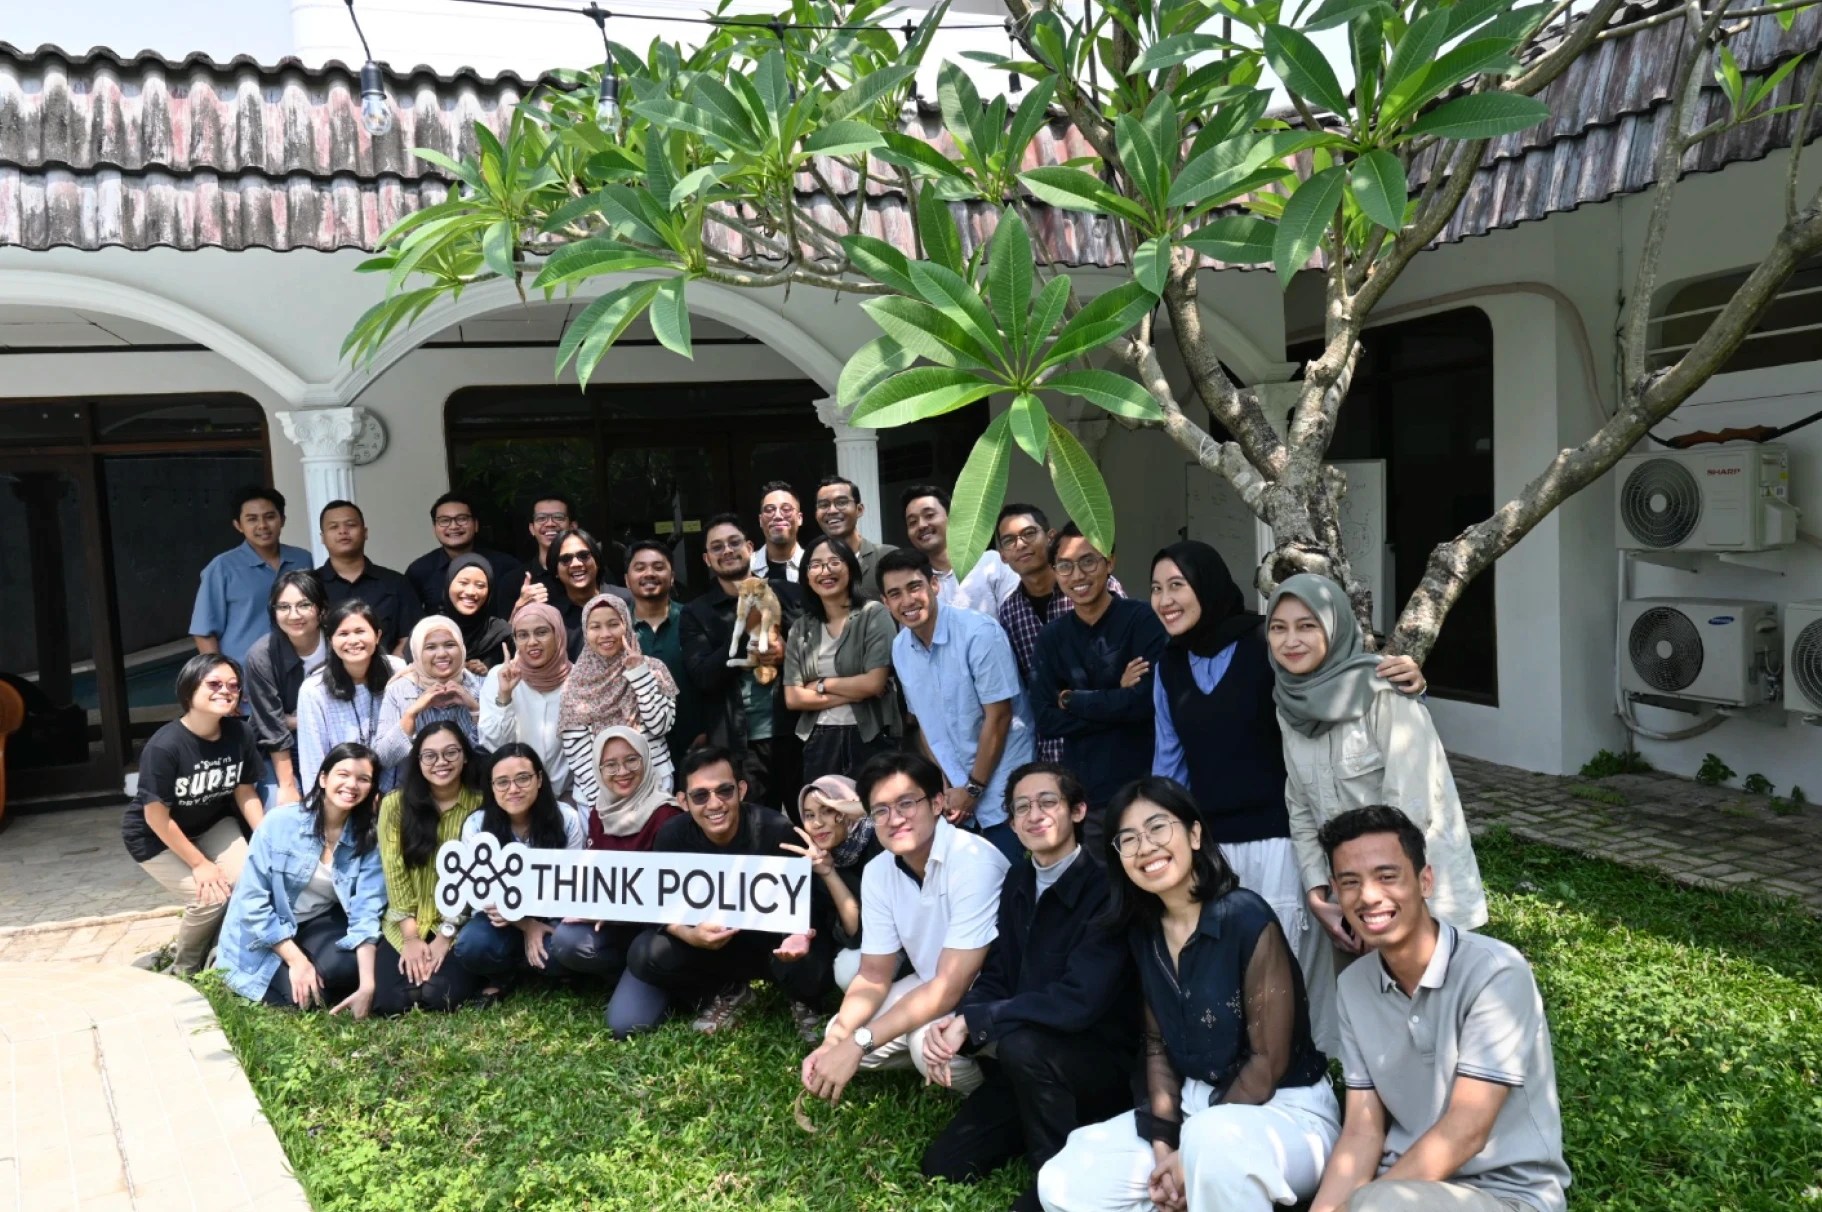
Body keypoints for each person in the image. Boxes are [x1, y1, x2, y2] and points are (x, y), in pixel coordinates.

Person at [1148, 541, 1424, 1055]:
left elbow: (1330, 683)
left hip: (1281, 837)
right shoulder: (1168, 665)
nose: (1165, 600)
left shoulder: (1267, 640)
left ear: (1207, 586)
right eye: (1156, 589)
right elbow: (1170, 764)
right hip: (1214, 847)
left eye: (1177, 586)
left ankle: (1311, 1064)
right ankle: (1249, 1063)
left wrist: (1397, 677)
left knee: (1292, 961)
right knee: (1232, 964)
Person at [1037, 778, 1340, 1212]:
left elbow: (1266, 1063)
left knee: (1211, 1146)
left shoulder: (1245, 917)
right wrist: (1165, 1147)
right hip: (1197, 1110)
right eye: (1128, 839)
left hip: (1287, 1111)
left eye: (1158, 828)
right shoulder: (1145, 931)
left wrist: (1190, 1155)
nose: (1146, 847)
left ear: (1195, 835)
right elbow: (1156, 1046)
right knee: (1063, 1181)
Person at [1267, 573, 1488, 1054]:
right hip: (1350, 903)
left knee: (1438, 1043)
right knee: (1372, 1041)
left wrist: (1374, 905)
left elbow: (1410, 810)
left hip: (1412, 897)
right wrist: (1318, 890)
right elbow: (1300, 804)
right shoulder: (1289, 704)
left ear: (1334, 627)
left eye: (1307, 625)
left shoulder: (1383, 690)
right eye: (1278, 628)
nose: (1291, 640)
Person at [1309, 807, 1569, 1212]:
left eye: (1386, 876)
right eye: (1350, 882)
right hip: (1395, 1191)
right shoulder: (1353, 985)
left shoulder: (1495, 972)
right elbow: (1362, 1132)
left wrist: (1357, 1207)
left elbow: (1467, 1128)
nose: (1369, 896)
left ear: (1424, 880)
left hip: (1505, 1196)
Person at [920, 763, 1138, 1212]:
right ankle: (1045, 1123)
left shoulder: (1106, 889)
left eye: (1047, 802)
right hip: (1030, 1064)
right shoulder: (1019, 880)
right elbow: (998, 972)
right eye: (1021, 807)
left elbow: (1079, 1000)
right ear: (1013, 823)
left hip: (1100, 1064)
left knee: (1021, 1047)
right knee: (944, 1165)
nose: (1034, 815)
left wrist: (977, 1020)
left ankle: (1057, 1173)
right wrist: (959, 1020)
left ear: (1078, 811)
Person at [801, 751, 1009, 1104]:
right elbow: (874, 974)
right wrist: (834, 1043)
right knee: (839, 1032)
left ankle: (994, 1094)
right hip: (930, 983)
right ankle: (948, 1056)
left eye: (906, 804)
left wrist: (860, 1042)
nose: (894, 819)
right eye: (881, 810)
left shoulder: (973, 862)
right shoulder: (880, 870)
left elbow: (950, 988)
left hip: (991, 994)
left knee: (922, 1044)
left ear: (937, 803)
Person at [614, 747, 834, 1040]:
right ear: (683, 801)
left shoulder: (776, 830)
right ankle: (729, 992)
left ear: (741, 790)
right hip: (711, 947)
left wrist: (798, 934)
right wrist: (689, 935)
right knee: (644, 952)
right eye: (700, 796)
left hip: (772, 945)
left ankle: (803, 1000)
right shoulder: (672, 835)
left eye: (724, 791)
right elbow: (659, 907)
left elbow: (808, 904)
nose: (715, 804)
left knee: (814, 961)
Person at [880, 548, 1034, 862]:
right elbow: (926, 724)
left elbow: (999, 717)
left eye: (914, 587)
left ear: (934, 585)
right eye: (895, 594)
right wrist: (946, 785)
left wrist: (973, 789)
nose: (907, 601)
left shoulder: (979, 633)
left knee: (1016, 883)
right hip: (958, 800)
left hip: (1007, 793)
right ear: (885, 602)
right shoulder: (900, 648)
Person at [214, 742, 385, 1017]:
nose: (352, 785)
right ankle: (226, 958)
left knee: (348, 970)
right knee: (304, 1000)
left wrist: (368, 985)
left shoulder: (367, 836)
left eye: (363, 779)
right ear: (323, 778)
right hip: (267, 925)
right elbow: (251, 900)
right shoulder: (279, 823)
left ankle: (317, 968)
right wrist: (297, 961)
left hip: (317, 920)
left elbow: (367, 908)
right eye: (343, 774)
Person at [121, 653, 267, 975]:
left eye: (233, 685)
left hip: (212, 822)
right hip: (155, 836)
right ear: (189, 689)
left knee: (248, 881)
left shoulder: (239, 733)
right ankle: (184, 970)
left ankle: (220, 954)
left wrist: (266, 839)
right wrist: (200, 864)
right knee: (209, 899)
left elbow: (244, 792)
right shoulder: (164, 746)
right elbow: (156, 817)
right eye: (214, 684)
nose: (225, 691)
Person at [1031, 525, 1167, 826]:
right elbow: (1046, 720)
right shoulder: (1052, 638)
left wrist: (1073, 700)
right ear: (1054, 571)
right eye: (1065, 566)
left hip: (1144, 788)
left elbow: (1145, 702)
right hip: (1084, 796)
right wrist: (1119, 696)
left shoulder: (1142, 619)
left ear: (1110, 562)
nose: (1077, 575)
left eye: (1088, 561)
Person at [547, 727, 686, 1001]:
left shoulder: (667, 815)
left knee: (626, 1021)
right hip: (614, 932)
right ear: (598, 769)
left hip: (657, 935)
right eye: (610, 764)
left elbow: (671, 896)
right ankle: (622, 974)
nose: (622, 771)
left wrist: (615, 910)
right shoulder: (599, 813)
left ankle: (651, 977)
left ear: (646, 759)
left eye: (631, 760)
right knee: (564, 940)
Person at [680, 514, 804, 804]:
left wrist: (787, 654)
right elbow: (703, 676)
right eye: (717, 547)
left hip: (797, 733)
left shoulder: (788, 593)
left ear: (750, 548)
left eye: (734, 543)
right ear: (707, 559)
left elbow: (817, 657)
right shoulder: (696, 613)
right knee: (754, 826)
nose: (727, 551)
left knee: (810, 820)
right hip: (740, 745)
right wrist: (747, 630)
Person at [993, 505, 1125, 762]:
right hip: (1051, 751)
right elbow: (1033, 692)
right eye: (1009, 541)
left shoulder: (1096, 586)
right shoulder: (1009, 611)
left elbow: (1122, 670)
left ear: (1050, 537)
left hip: (1111, 744)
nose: (1020, 544)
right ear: (1003, 556)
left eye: (1029, 533)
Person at [452, 745, 588, 992]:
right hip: (500, 919)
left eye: (523, 778)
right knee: (472, 945)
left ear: (539, 780)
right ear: (492, 787)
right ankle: (511, 970)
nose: (513, 789)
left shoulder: (566, 818)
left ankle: (527, 964)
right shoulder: (477, 825)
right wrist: (526, 925)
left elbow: (572, 882)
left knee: (563, 952)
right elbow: (485, 894)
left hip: (551, 913)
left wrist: (537, 920)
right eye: (502, 782)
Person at [372, 721, 485, 1014]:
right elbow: (394, 873)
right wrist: (411, 939)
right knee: (391, 1002)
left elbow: (477, 880)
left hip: (458, 922)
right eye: (430, 755)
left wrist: (446, 936)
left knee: (439, 996)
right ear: (418, 760)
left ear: (465, 756)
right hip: (407, 920)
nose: (441, 762)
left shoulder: (481, 805)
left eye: (451, 753)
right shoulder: (394, 805)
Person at [782, 536, 901, 783]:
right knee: (825, 807)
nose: (825, 571)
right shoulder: (800, 628)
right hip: (819, 741)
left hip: (871, 737)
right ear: (806, 576)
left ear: (850, 567)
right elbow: (793, 698)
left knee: (874, 806)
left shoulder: (873, 614)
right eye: (815, 565)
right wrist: (855, 692)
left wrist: (821, 684)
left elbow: (874, 683)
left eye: (834, 562)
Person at [558, 594, 680, 813]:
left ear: (627, 625)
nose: (605, 634)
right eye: (595, 627)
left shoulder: (654, 669)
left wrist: (639, 674)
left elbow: (660, 726)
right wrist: (607, 800)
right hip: (598, 799)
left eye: (614, 624)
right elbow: (577, 750)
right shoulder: (576, 683)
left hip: (655, 786)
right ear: (585, 631)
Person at [295, 601, 408, 811]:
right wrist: (320, 812)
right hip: (343, 798)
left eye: (360, 631)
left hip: (395, 797)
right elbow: (313, 761)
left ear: (377, 635)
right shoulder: (314, 690)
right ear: (331, 641)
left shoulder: (398, 670)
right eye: (343, 634)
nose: (353, 641)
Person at [189, 486, 313, 667]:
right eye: (252, 519)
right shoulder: (222, 568)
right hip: (245, 673)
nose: (262, 525)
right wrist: (221, 675)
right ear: (238, 525)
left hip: (301, 667)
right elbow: (204, 632)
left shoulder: (303, 559)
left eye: (269, 517)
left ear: (282, 520)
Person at [781, 774, 877, 992]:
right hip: (879, 948)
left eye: (828, 810)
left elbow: (890, 811)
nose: (817, 823)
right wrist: (828, 873)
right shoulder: (819, 860)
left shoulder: (881, 840)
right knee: (848, 968)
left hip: (918, 941)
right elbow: (856, 936)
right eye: (809, 815)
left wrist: (863, 807)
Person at [244, 570, 328, 808]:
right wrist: (288, 784)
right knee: (283, 809)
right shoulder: (261, 655)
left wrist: (294, 719)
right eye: (283, 607)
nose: (294, 615)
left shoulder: (339, 641)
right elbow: (271, 726)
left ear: (321, 608)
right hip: (278, 750)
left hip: (333, 741)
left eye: (304, 605)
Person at [376, 616, 484, 792]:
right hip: (412, 796)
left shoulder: (481, 686)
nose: (441, 654)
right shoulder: (399, 690)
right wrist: (411, 714)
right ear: (417, 652)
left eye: (450, 645)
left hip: (472, 792)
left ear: (462, 647)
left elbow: (493, 753)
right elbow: (383, 758)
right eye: (430, 647)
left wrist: (475, 709)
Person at [479, 602, 573, 797]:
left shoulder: (577, 679)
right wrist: (504, 696)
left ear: (558, 634)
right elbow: (493, 745)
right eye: (522, 635)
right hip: (516, 797)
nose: (532, 642)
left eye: (541, 632)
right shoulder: (500, 676)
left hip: (567, 797)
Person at [625, 539, 705, 763]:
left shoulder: (694, 619)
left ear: (672, 577)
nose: (649, 573)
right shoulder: (616, 629)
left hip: (695, 747)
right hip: (635, 753)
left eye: (658, 567)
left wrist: (706, 729)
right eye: (640, 568)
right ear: (626, 580)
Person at [316, 499, 420, 654]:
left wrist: (389, 667)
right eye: (334, 527)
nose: (343, 531)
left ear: (365, 532)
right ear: (322, 538)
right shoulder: (311, 586)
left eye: (350, 525)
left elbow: (409, 637)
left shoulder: (395, 583)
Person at [900, 485, 1019, 615]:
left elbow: (1015, 617)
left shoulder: (991, 563)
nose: (921, 525)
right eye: (912, 522)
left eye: (929, 515)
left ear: (951, 517)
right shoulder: (916, 583)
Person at [406, 491, 525, 620]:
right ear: (434, 528)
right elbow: (411, 619)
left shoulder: (505, 565)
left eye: (462, 519)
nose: (453, 526)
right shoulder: (419, 571)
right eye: (444, 521)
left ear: (476, 525)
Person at [545, 528, 633, 658]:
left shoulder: (628, 600)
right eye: (566, 559)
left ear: (597, 561)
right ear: (555, 570)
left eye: (583, 555)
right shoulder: (552, 616)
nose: (576, 564)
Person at [813, 474, 896, 590]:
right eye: (824, 505)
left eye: (841, 502)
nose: (832, 510)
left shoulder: (887, 557)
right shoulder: (813, 569)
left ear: (859, 509)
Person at [438, 554, 516, 674]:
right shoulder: (427, 632)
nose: (471, 592)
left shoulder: (503, 634)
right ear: (449, 584)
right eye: (463, 583)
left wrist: (490, 674)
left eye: (480, 586)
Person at [751, 480, 806, 583]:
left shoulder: (812, 565)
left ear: (799, 518)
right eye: (769, 510)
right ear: (760, 520)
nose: (777, 516)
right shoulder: (747, 567)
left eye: (786, 509)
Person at [527, 492, 576, 577]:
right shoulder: (515, 580)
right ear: (532, 529)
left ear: (572, 527)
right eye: (541, 518)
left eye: (558, 517)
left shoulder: (588, 573)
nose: (550, 524)